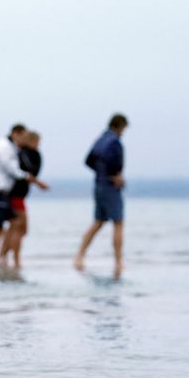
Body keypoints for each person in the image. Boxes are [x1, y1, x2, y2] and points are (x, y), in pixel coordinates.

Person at [0, 125, 48, 273]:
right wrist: (36, 181)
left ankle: (1, 259)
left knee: (14, 224)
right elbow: (14, 170)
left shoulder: (13, 148)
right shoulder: (4, 148)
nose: (24, 140)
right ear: (15, 134)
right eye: (23, 136)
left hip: (1, 191)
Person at [74, 113, 129, 279]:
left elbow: (88, 160)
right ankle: (118, 261)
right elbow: (113, 161)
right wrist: (115, 174)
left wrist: (100, 172)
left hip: (98, 184)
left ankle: (79, 256)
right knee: (118, 223)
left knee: (98, 222)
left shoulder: (100, 140)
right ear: (120, 126)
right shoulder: (114, 141)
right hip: (110, 186)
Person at [0, 130, 43, 271]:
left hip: (18, 195)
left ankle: (4, 256)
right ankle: (13, 259)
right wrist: (38, 182)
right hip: (15, 195)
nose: (38, 145)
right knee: (19, 228)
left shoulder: (25, 154)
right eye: (37, 142)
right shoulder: (23, 154)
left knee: (16, 228)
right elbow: (25, 174)